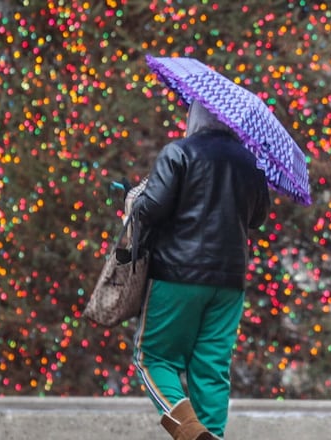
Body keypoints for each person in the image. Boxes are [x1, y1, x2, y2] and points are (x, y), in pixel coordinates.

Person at [129, 100, 271, 440]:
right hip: (230, 281)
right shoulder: (251, 162)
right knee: (210, 370)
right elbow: (258, 218)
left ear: (197, 115)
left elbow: (151, 210)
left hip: (177, 274)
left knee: (153, 358)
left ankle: (192, 433)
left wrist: (136, 198)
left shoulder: (179, 152)